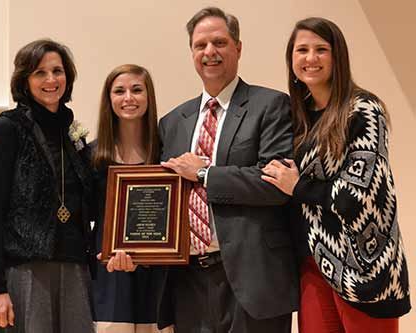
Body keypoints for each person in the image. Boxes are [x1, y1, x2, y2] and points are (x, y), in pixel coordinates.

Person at [111, 7, 299, 333]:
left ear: (238, 48)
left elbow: (274, 185)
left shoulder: (270, 105)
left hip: (251, 279)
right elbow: (162, 200)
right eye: (200, 45)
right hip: (188, 281)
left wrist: (204, 174)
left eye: (219, 42)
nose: (209, 52)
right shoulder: (172, 123)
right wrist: (137, 247)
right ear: (192, 53)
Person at [261, 17, 411, 333]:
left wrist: (298, 186)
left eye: (321, 49)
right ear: (291, 59)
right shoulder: (296, 116)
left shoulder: (364, 110)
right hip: (312, 267)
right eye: (302, 50)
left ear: (337, 56)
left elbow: (360, 194)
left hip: (365, 270)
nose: (310, 58)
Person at [0, 39, 95, 333]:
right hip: (26, 270)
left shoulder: (72, 133)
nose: (51, 80)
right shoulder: (8, 127)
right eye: (39, 72)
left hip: (74, 270)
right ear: (24, 79)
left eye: (57, 71)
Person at [90, 64, 172, 333]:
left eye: (137, 90)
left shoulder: (168, 154)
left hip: (159, 277)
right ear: (108, 99)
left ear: (149, 97)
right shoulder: (91, 157)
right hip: (109, 274)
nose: (128, 98)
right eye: (119, 91)